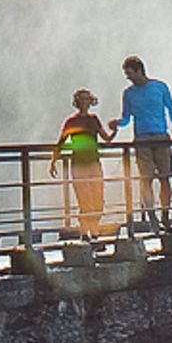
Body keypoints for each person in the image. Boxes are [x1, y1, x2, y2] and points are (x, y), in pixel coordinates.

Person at [118, 55, 172, 225]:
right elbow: (126, 118)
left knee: (164, 178)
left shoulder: (159, 87)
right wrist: (116, 124)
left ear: (140, 70)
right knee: (146, 179)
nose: (129, 78)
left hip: (160, 136)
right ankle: (152, 215)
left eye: (130, 73)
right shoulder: (128, 93)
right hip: (142, 139)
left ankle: (165, 215)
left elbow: (171, 109)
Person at [54, 90, 111, 237]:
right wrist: (54, 160)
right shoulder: (71, 121)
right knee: (84, 200)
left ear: (91, 101)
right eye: (82, 100)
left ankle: (94, 230)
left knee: (98, 199)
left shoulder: (94, 119)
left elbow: (106, 138)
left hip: (93, 162)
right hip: (78, 164)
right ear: (77, 102)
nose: (84, 103)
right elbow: (61, 142)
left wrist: (115, 129)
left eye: (87, 99)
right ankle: (87, 233)